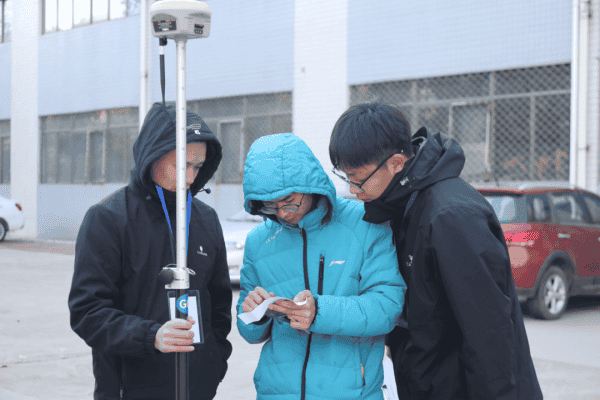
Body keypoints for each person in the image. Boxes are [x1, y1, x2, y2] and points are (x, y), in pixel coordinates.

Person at [328, 103, 543, 400]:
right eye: (345, 177)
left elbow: (489, 333)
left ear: (396, 163)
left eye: (357, 177)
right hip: (427, 382)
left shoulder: (451, 216)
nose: (352, 189)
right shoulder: (398, 205)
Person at [68, 103, 232, 400]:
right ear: (152, 156)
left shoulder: (206, 219)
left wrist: (214, 364)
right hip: (130, 387)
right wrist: (151, 335)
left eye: (198, 167)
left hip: (198, 388)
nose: (191, 177)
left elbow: (219, 305)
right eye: (182, 165)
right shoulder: (108, 219)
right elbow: (87, 312)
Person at [237, 133, 406, 400]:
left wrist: (319, 312)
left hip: (352, 393)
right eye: (270, 205)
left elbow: (388, 307)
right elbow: (248, 332)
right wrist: (254, 313)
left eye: (289, 199)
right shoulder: (258, 241)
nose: (283, 212)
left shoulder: (365, 223)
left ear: (310, 184)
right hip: (276, 392)